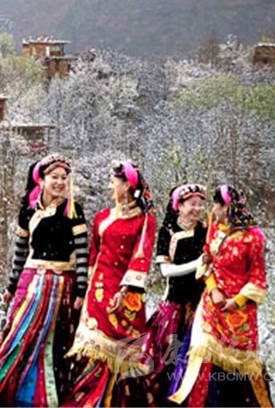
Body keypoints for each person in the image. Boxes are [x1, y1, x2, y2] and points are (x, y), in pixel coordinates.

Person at [0, 154, 88, 407]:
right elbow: (20, 253)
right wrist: (11, 286)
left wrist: (81, 290)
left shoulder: (73, 210)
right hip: (30, 285)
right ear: (41, 180)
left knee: (56, 344)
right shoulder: (28, 211)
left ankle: (48, 397)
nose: (60, 182)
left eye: (64, 178)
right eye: (54, 177)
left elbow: (83, 253)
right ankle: (13, 392)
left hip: (62, 285)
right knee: (23, 336)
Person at [168, 185, 272, 407]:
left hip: (240, 313)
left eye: (216, 205)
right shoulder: (214, 230)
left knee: (238, 372)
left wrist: (237, 301)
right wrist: (213, 289)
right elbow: (206, 262)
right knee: (200, 356)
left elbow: (258, 278)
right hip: (211, 307)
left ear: (227, 208)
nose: (212, 209)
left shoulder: (252, 238)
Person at [64, 160, 157, 407]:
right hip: (98, 291)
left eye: (113, 182)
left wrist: (125, 291)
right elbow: (94, 255)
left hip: (126, 293)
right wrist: (84, 288)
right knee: (92, 347)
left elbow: (141, 257)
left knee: (122, 352)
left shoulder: (145, 220)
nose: (110, 187)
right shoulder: (102, 217)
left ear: (127, 185)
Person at [142, 183, 208, 406]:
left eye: (199, 204)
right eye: (192, 204)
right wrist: (196, 263)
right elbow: (166, 270)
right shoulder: (168, 232)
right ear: (179, 206)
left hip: (199, 304)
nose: (197, 209)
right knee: (167, 358)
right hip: (174, 302)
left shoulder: (205, 230)